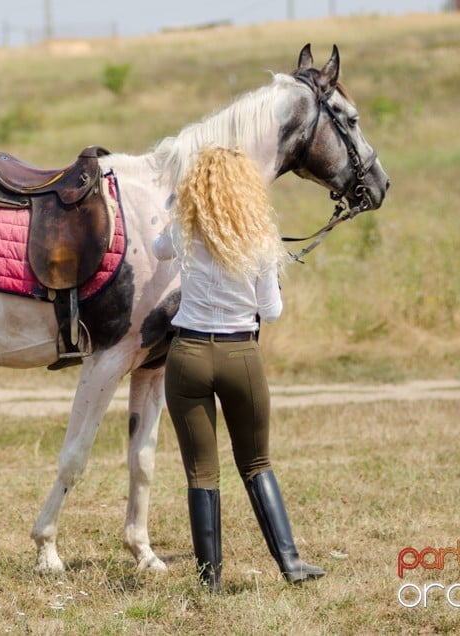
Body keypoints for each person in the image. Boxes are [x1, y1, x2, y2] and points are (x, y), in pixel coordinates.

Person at [153, 145, 324, 592]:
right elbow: (273, 310)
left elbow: (156, 248)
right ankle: (291, 564)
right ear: (246, 190)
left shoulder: (184, 233)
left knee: (201, 474)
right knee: (257, 462)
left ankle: (209, 582)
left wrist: (178, 204)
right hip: (240, 357)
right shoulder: (258, 240)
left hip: (187, 356)